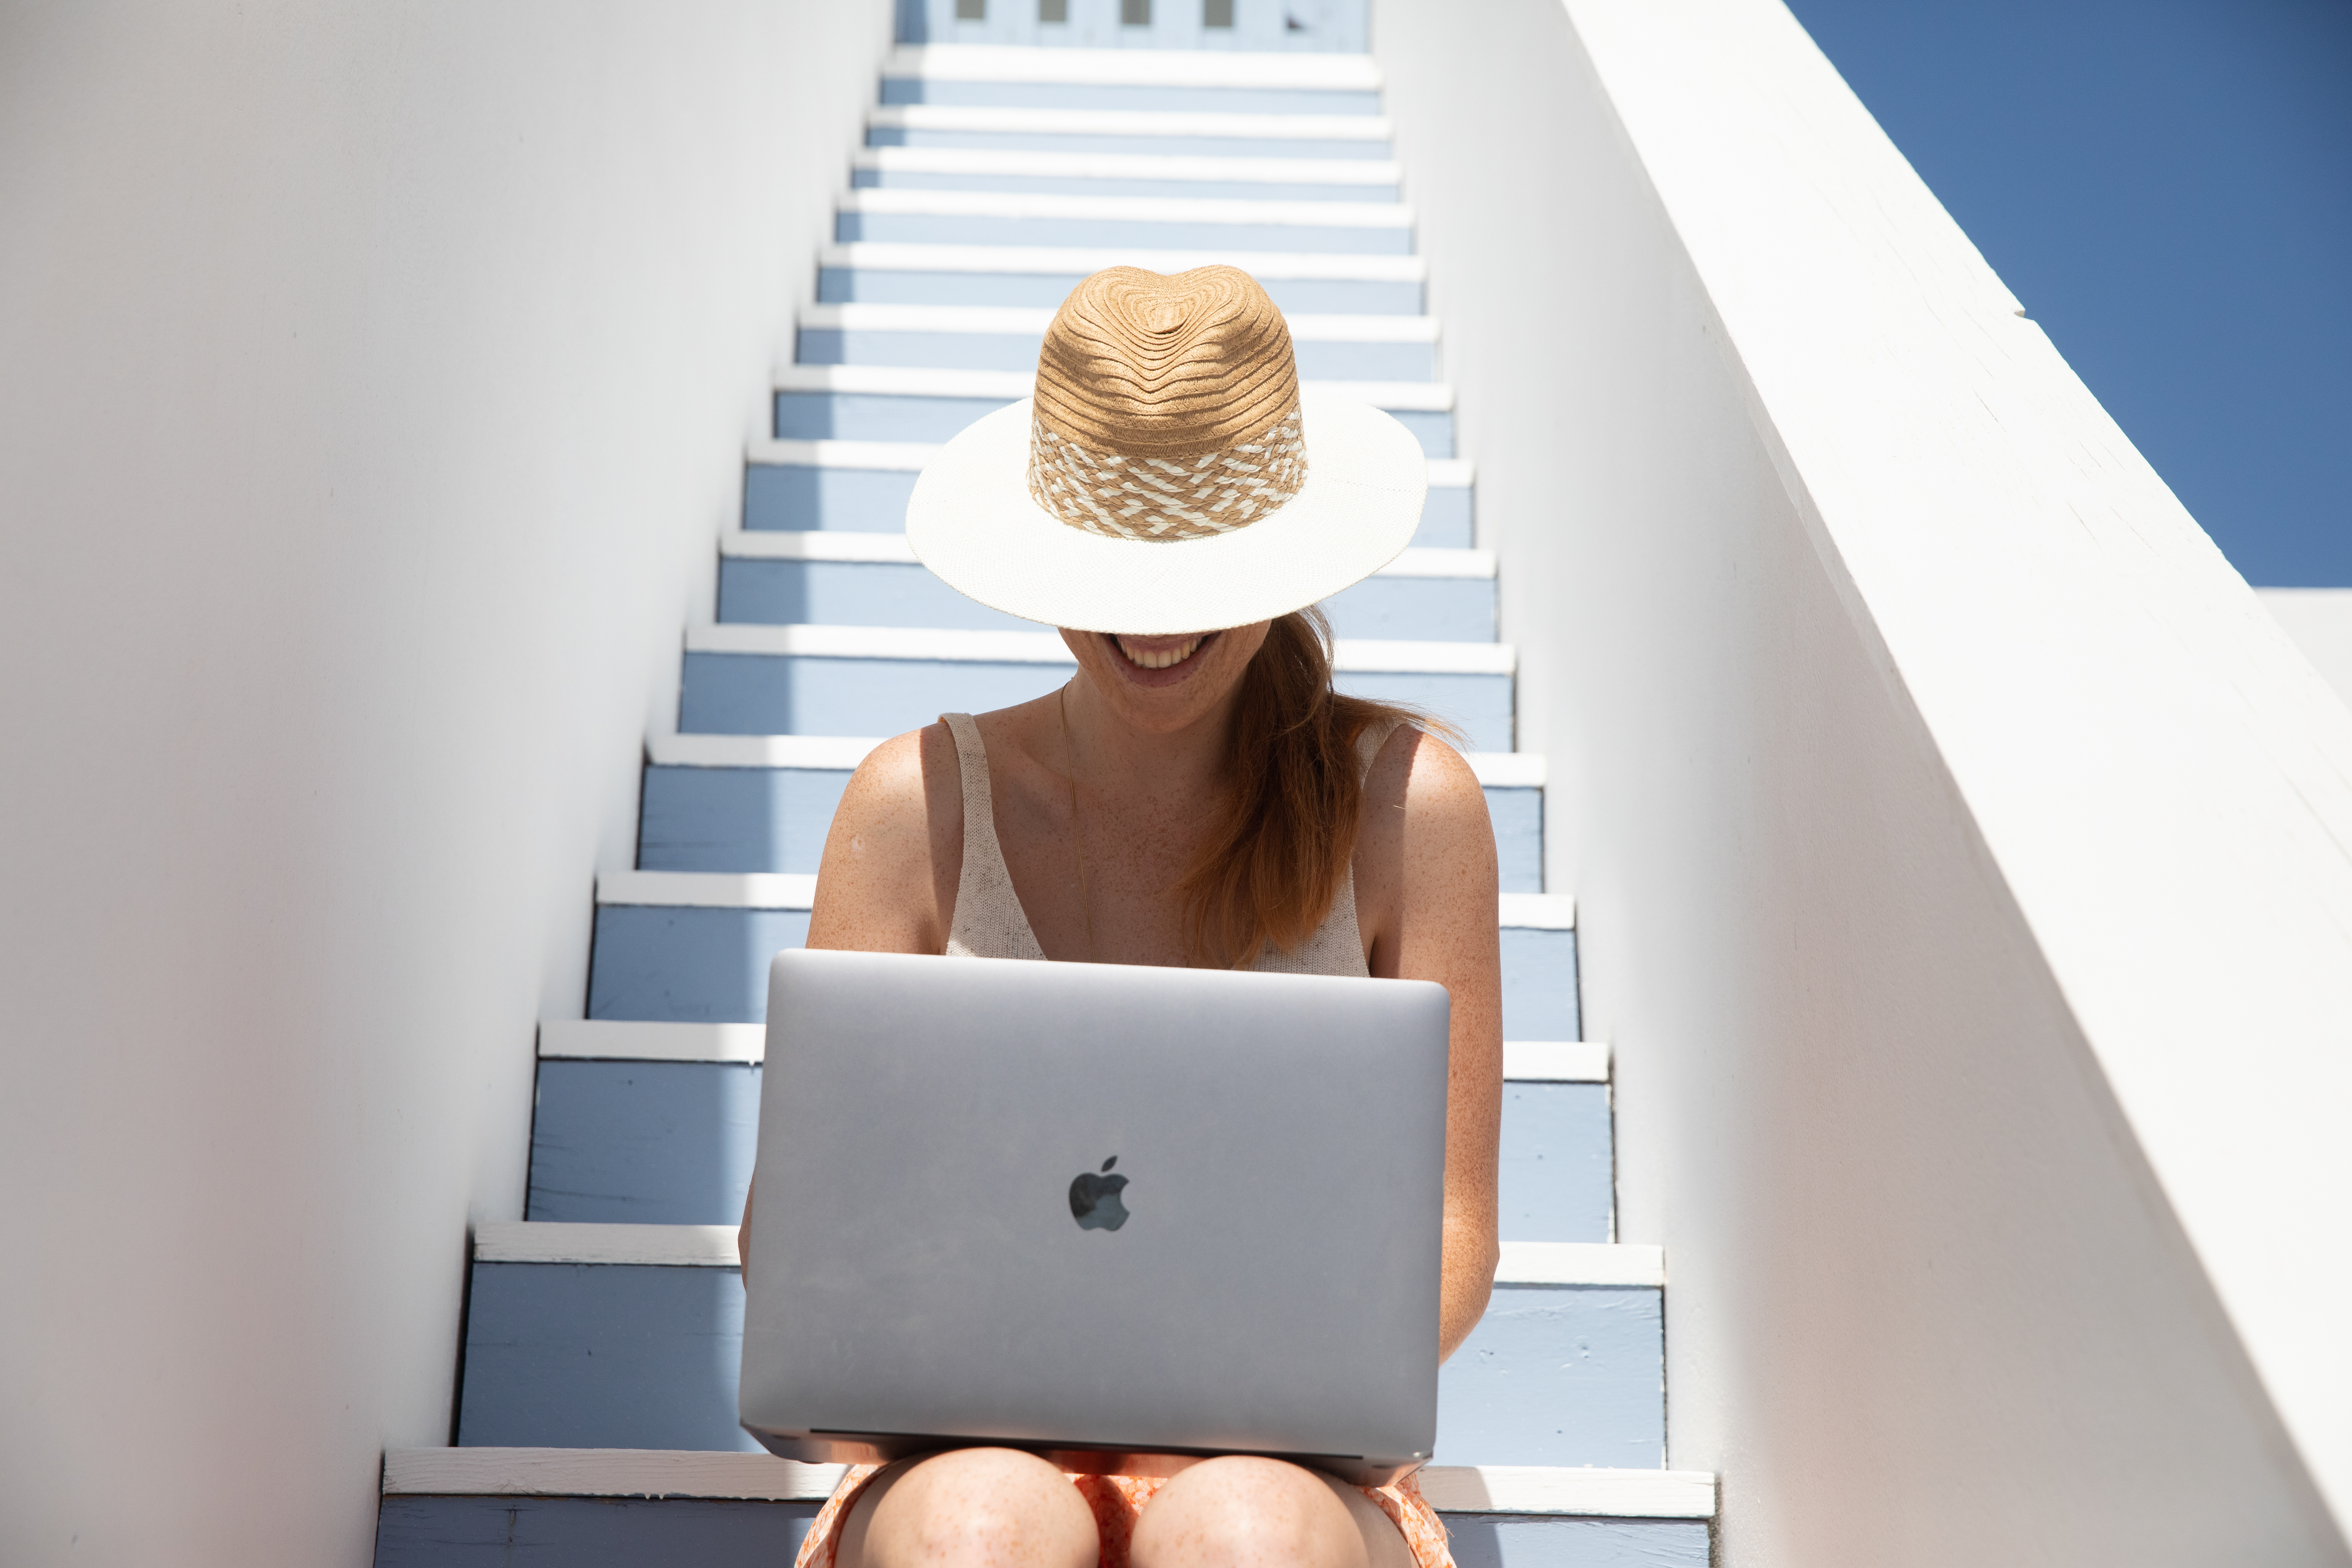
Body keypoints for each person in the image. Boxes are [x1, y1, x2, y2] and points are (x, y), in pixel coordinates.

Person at [740, 264, 1502, 1568]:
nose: (1154, 621)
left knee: (1246, 1531)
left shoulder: (1406, 806)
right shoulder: (909, 804)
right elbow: (800, 1227)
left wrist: (1258, 1388)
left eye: (1204, 568)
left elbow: (1451, 1223)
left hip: (1287, 1459)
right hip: (958, 1447)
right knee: (979, 1528)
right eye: (1113, 566)